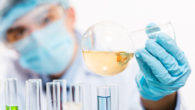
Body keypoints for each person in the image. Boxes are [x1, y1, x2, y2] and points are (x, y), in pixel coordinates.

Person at [0, 0, 191, 110]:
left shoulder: (118, 63)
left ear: (70, 16)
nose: (36, 38)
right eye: (18, 32)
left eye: (46, 19)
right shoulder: (10, 79)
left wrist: (161, 97)